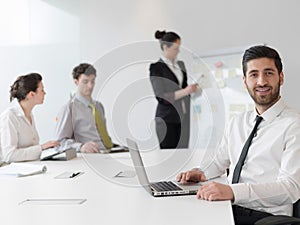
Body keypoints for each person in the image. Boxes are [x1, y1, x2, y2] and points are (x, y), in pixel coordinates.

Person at [177, 45, 300, 224]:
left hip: (266, 217)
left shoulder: (294, 125)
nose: (261, 82)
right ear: (244, 81)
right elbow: (221, 161)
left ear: (280, 78)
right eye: (254, 75)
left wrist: (234, 192)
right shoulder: (238, 121)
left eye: (268, 73)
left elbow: (290, 188)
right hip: (229, 207)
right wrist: (201, 172)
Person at [149, 30, 199, 149]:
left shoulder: (180, 65)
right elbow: (161, 96)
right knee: (169, 158)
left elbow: (185, 87)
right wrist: (186, 91)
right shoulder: (156, 68)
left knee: (183, 155)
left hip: (183, 117)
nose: (178, 51)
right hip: (166, 119)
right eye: (176, 48)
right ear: (166, 47)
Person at [0, 73, 60, 162]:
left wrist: (47, 150)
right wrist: (41, 147)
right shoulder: (10, 117)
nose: (45, 93)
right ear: (31, 94)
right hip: (11, 170)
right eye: (42, 90)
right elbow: (9, 156)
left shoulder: (29, 115)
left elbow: (32, 150)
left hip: (31, 167)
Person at [55, 63, 114, 153]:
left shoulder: (99, 106)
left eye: (92, 81)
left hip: (108, 152)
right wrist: (81, 146)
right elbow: (59, 143)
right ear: (76, 82)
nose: (90, 86)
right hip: (90, 156)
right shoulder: (69, 108)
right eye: (85, 82)